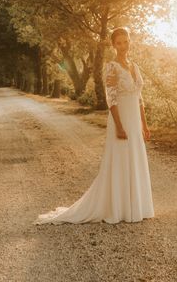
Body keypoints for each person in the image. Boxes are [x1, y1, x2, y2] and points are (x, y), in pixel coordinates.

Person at [33, 27, 155, 224]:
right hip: (121, 119)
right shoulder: (112, 67)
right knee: (121, 161)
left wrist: (145, 124)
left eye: (126, 41)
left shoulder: (135, 66)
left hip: (135, 120)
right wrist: (119, 126)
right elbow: (111, 99)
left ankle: (136, 207)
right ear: (113, 45)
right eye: (119, 42)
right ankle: (119, 208)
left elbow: (139, 98)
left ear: (130, 41)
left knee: (135, 159)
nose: (123, 46)